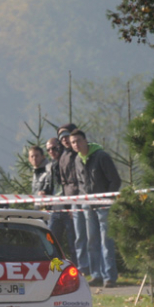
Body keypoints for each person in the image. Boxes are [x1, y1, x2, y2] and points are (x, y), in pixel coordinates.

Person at [69, 129, 122, 288]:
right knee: (91, 241)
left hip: (104, 206)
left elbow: (115, 180)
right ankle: (96, 275)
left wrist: (107, 199)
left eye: (78, 141)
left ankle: (109, 277)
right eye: (73, 142)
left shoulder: (101, 156)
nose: (76, 144)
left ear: (85, 141)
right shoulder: (77, 160)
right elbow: (80, 184)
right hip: (87, 206)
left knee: (107, 242)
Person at [57, 123, 96, 277]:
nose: (64, 140)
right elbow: (64, 181)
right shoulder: (63, 156)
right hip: (72, 199)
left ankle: (94, 268)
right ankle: (82, 267)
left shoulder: (81, 154)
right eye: (61, 137)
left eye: (67, 136)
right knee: (79, 236)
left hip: (86, 197)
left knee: (92, 235)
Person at [44, 137, 76, 263]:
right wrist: (44, 193)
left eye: (54, 148)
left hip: (69, 209)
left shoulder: (68, 161)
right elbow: (50, 185)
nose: (51, 151)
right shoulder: (50, 166)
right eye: (48, 150)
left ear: (60, 146)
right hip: (55, 209)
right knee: (51, 242)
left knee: (73, 242)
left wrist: (72, 205)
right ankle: (54, 268)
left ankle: (78, 270)